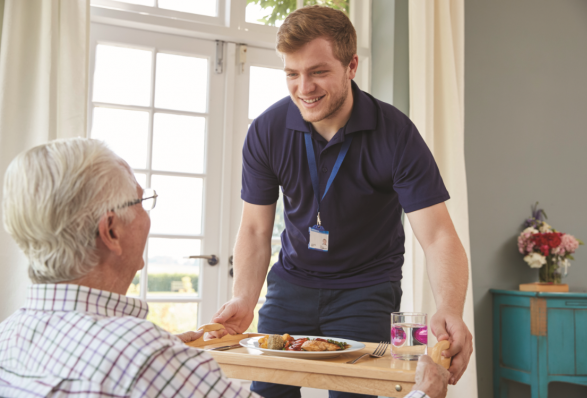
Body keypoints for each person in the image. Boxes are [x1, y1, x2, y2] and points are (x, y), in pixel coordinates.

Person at [211, 5, 473, 398]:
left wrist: (450, 308)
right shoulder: (267, 131)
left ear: (352, 66)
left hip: (365, 289)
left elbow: (437, 235)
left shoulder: (396, 133)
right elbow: (254, 227)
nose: (304, 87)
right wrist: (244, 298)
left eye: (318, 72)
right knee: (267, 391)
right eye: (292, 74)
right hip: (291, 285)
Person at [0, 138, 259, 398]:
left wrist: (166, 358)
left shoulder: (7, 335)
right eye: (140, 201)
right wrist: (162, 358)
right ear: (111, 231)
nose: (147, 215)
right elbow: (132, 359)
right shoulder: (143, 356)